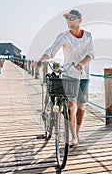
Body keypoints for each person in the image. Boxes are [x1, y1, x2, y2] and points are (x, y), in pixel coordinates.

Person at [33, 10, 95, 147]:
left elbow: (91, 54)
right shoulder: (64, 36)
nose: (69, 21)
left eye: (72, 18)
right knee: (71, 106)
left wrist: (82, 64)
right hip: (69, 75)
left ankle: (77, 133)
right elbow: (51, 51)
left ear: (79, 20)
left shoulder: (88, 36)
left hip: (84, 75)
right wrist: (40, 61)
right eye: (67, 19)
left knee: (81, 106)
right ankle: (73, 137)